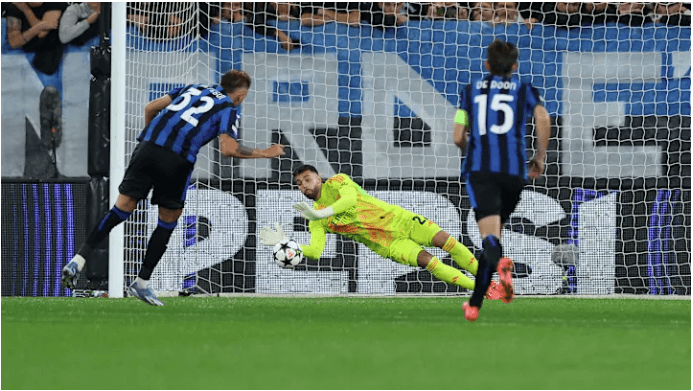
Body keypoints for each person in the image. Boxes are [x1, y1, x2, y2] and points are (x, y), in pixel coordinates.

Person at [62, 70, 286, 306]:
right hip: (176, 160)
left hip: (147, 148)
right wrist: (265, 153)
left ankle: (78, 260)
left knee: (122, 207)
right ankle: (142, 282)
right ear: (240, 95)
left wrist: (153, 139)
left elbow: (150, 108)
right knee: (168, 220)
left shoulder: (193, 88)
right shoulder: (228, 108)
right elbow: (228, 149)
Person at [260, 165, 508, 299]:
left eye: (307, 179)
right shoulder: (315, 219)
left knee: (447, 242)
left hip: (401, 220)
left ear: (319, 177)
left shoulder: (338, 182)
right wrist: (286, 243)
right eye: (300, 184)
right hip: (387, 243)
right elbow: (315, 251)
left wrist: (321, 214)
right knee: (427, 261)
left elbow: (348, 200)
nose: (304, 185)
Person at [453, 39, 550, 321]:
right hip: (513, 173)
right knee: (495, 233)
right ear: (515, 66)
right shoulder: (524, 89)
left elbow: (458, 135)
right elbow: (542, 117)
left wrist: (467, 150)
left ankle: (477, 301)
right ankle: (496, 279)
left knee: (490, 239)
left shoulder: (470, 92)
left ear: (487, 65)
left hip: (481, 172)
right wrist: (540, 156)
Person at [4, 2, 67, 74]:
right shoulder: (15, 6)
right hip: (27, 53)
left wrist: (26, 10)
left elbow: (42, 33)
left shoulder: (55, 3)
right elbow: (14, 42)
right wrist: (39, 27)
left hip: (50, 54)